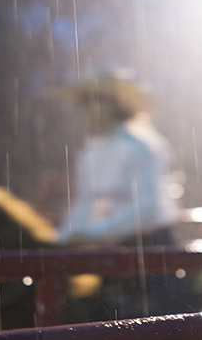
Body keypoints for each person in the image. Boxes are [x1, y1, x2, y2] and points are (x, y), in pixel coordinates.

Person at [56, 69, 179, 248]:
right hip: (114, 249)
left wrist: (94, 232)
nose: (84, 109)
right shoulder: (91, 153)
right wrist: (61, 239)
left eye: (92, 101)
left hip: (152, 248)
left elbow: (148, 204)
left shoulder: (140, 146)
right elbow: (85, 202)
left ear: (113, 105)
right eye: (82, 103)